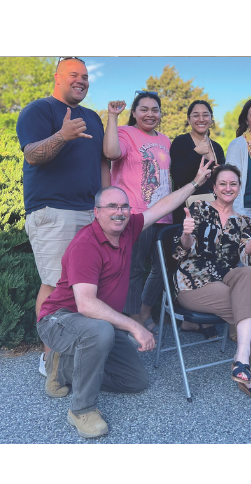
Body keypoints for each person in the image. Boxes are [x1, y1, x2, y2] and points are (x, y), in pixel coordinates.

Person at [36, 161, 211, 439]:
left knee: (134, 381)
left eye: (124, 207)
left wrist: (196, 182)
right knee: (101, 330)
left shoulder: (128, 228)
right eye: (112, 207)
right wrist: (135, 325)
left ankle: (66, 368)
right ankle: (81, 409)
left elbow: (162, 207)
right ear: (96, 212)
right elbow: (86, 305)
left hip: (96, 324)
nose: (119, 213)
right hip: (60, 320)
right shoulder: (86, 245)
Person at [16, 57, 110, 378]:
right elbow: (32, 154)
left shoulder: (94, 118)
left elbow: (102, 166)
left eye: (85, 76)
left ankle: (80, 352)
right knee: (57, 284)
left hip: (90, 212)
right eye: (74, 74)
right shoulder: (39, 110)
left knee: (88, 286)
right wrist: (62, 135)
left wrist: (107, 206)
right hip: (53, 211)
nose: (81, 80)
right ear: (57, 77)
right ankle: (50, 360)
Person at [173, 164, 251, 405]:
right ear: (215, 188)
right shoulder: (198, 209)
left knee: (250, 273)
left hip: (225, 277)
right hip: (194, 282)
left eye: (233, 184)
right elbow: (183, 248)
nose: (228, 188)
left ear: (239, 188)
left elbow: (249, 251)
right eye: (223, 183)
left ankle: (241, 357)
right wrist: (186, 233)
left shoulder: (242, 221)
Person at [103, 91, 172, 337]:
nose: (150, 114)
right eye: (144, 109)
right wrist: (112, 117)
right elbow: (111, 153)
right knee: (134, 268)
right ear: (134, 112)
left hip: (163, 214)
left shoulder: (165, 139)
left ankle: (144, 310)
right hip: (136, 214)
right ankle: (132, 318)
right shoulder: (125, 133)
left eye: (155, 110)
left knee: (165, 267)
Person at [170, 100, 225, 224]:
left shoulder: (217, 148)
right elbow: (178, 177)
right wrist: (196, 153)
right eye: (196, 115)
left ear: (211, 119)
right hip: (187, 211)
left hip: (213, 209)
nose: (201, 119)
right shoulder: (180, 142)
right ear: (189, 120)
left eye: (205, 115)